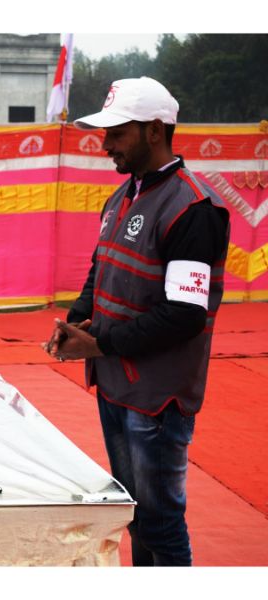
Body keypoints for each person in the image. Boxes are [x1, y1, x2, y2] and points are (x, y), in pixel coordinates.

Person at [43, 77, 229, 566]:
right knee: (134, 515)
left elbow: (184, 315)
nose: (105, 145)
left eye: (117, 134)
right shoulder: (121, 197)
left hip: (157, 399)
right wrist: (76, 320)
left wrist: (99, 344)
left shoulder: (194, 209)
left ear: (154, 131)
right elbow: (99, 270)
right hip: (115, 385)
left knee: (160, 522)